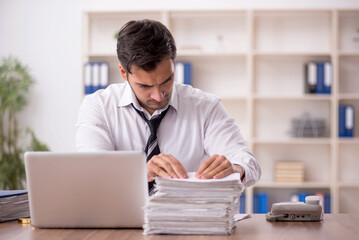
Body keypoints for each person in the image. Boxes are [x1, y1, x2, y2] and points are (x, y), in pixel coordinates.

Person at [76, 19, 261, 191]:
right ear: (124, 73)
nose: (158, 96)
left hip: (187, 221)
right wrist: (141, 174)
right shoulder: (98, 106)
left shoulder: (205, 107)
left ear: (173, 65)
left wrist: (235, 168)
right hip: (120, 221)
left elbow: (249, 163)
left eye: (167, 80)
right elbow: (91, 172)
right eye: (145, 86)